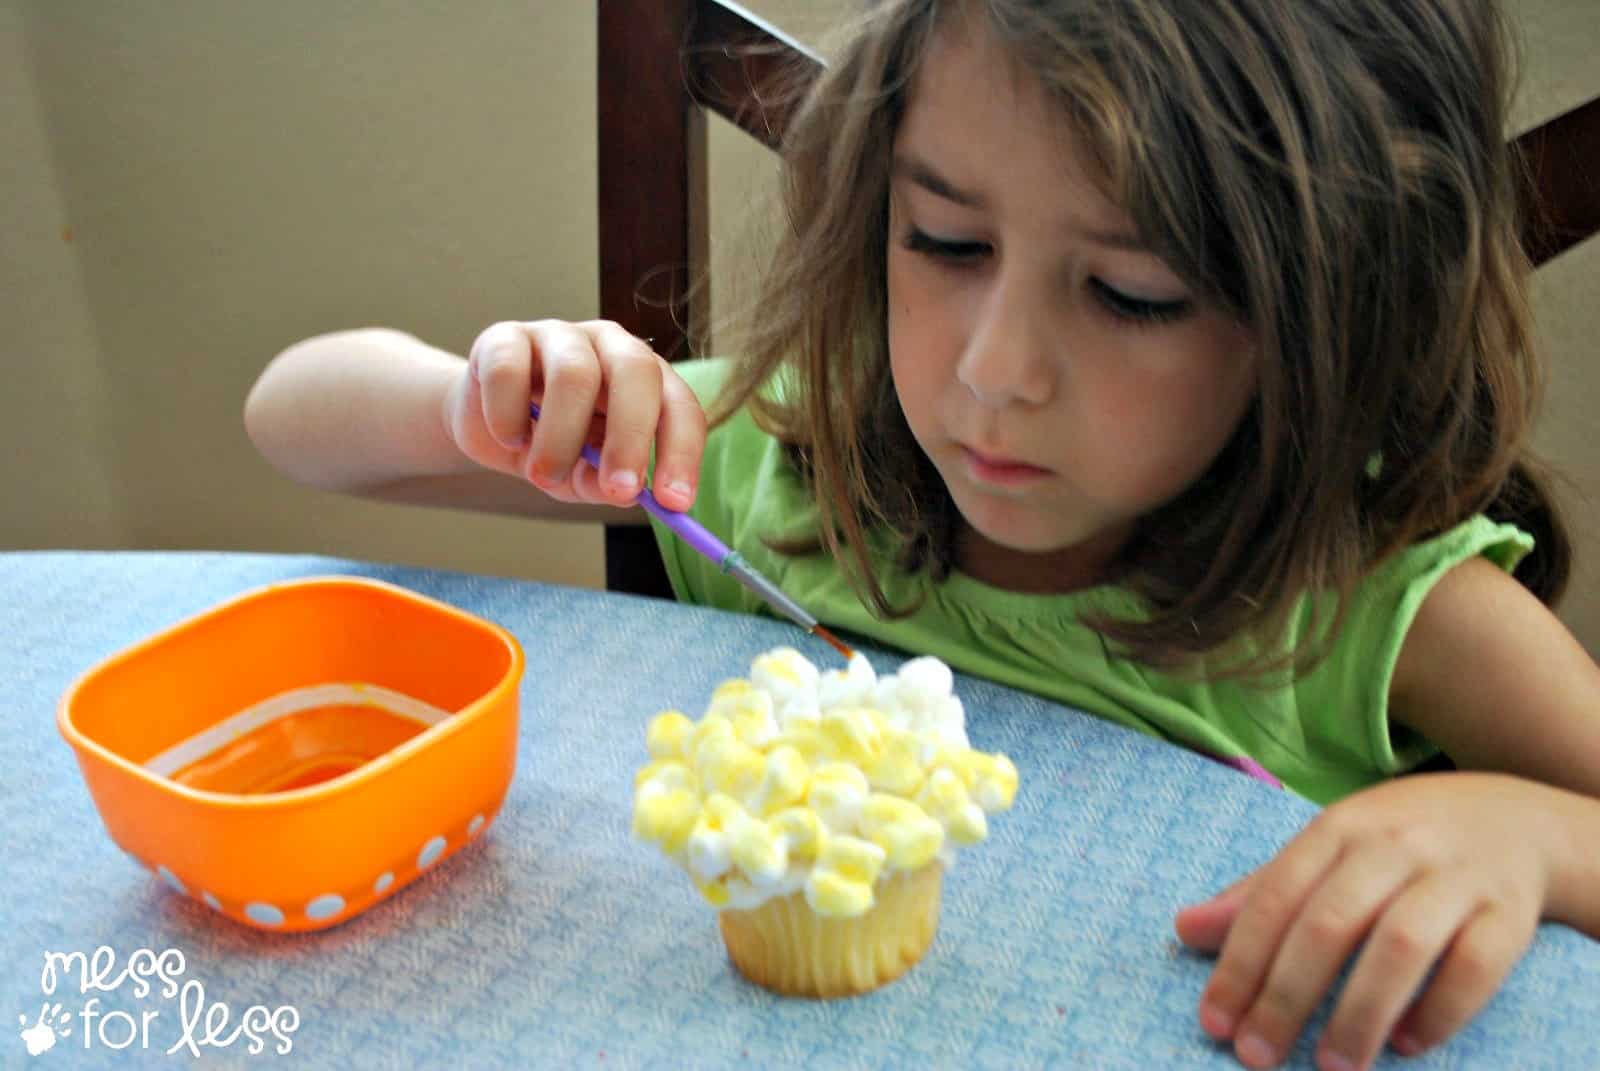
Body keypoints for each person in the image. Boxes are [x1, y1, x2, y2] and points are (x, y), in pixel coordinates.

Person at [245, 1, 1600, 1067]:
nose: (996, 371)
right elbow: (294, 419)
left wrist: (1523, 838)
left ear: (1331, 314)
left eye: (1132, 296)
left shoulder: (1383, 615)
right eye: (945, 241)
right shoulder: (778, 472)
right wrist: (474, 400)